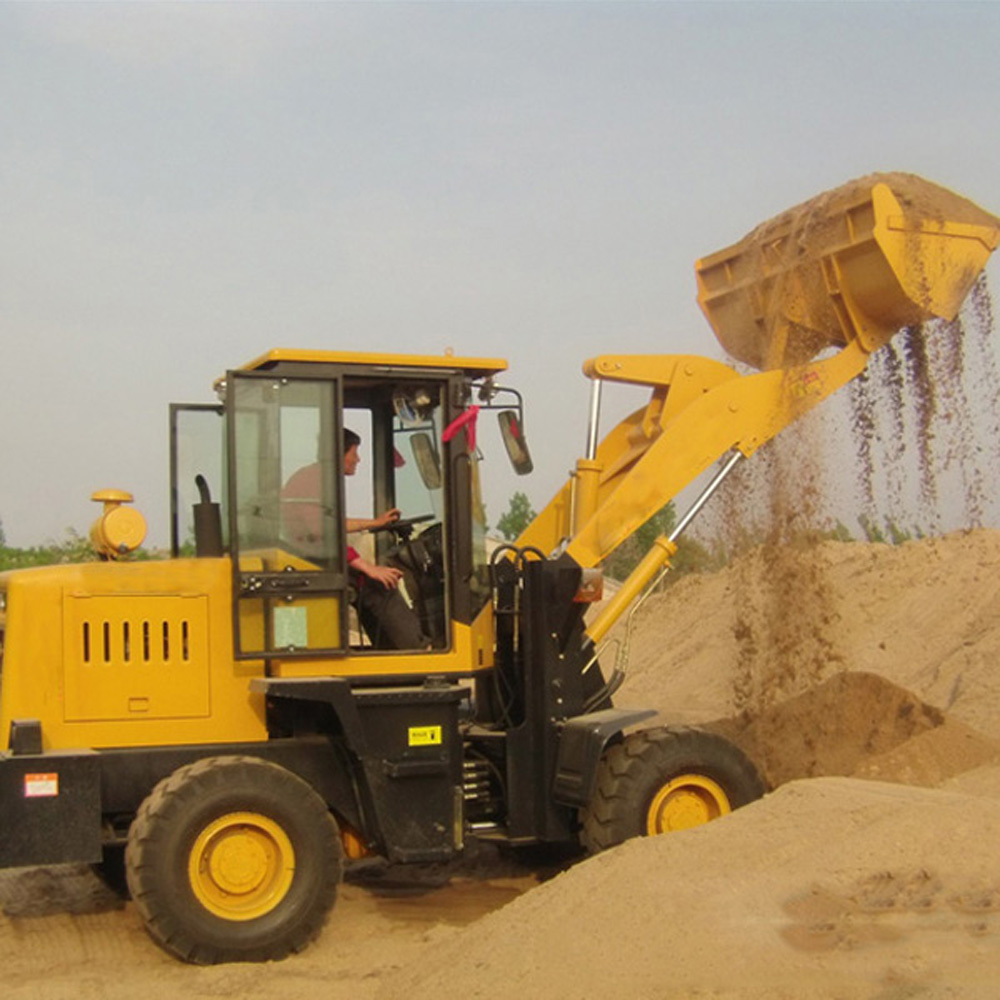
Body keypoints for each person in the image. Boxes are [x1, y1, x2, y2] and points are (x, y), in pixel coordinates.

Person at [282, 428, 428, 650]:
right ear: (339, 452)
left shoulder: (314, 477)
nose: (358, 458)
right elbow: (322, 532)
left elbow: (331, 524)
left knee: (369, 581)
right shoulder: (315, 480)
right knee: (379, 584)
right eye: (354, 452)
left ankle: (393, 652)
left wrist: (375, 523)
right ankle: (416, 651)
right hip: (310, 562)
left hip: (309, 558)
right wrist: (368, 567)